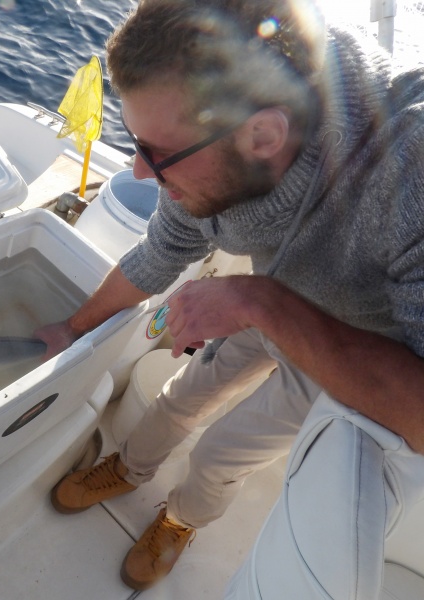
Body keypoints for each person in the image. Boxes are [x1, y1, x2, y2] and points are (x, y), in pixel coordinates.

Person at [38, 0, 424, 592]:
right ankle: (128, 467)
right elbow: (158, 252)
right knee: (176, 401)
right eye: (136, 143)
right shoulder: (210, 149)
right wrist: (71, 327)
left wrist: (260, 303)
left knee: (222, 454)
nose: (140, 172)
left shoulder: (411, 166)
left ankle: (180, 519)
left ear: (263, 134)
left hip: (361, 351)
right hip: (268, 295)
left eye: (156, 155)